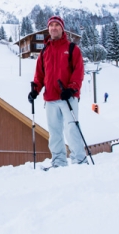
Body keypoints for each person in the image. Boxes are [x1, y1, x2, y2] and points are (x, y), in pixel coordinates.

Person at [28, 15, 87, 167]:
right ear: (48, 29)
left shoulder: (72, 49)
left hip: (68, 97)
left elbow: (78, 72)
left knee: (71, 129)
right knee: (54, 133)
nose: (54, 28)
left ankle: (79, 160)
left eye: (57, 25)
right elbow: (40, 75)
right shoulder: (45, 51)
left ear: (62, 28)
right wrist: (35, 90)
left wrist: (72, 88)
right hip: (50, 99)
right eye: (51, 25)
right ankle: (59, 161)